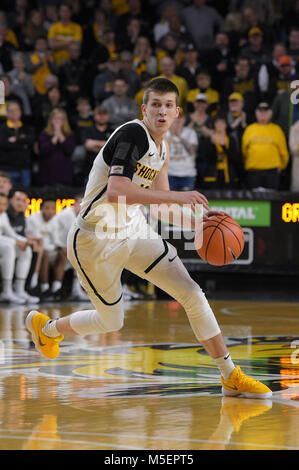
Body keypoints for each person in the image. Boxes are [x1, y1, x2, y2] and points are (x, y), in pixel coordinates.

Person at [26, 78, 272, 400]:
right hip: (94, 241)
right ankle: (47, 329)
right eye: (155, 104)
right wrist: (181, 197)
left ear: (177, 113)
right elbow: (116, 191)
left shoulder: (163, 148)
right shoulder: (132, 134)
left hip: (134, 230)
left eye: (168, 105)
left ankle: (230, 374)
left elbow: (161, 205)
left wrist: (197, 222)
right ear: (144, 109)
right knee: (111, 321)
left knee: (192, 294)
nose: (162, 111)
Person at [242, 102, 289, 189]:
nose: (262, 114)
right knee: (254, 198)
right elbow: (244, 151)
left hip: (272, 171)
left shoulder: (277, 129)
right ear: (256, 113)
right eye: (260, 111)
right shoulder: (249, 129)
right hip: (253, 170)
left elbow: (284, 151)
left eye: (265, 112)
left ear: (270, 114)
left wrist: (281, 167)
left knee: (272, 197)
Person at [0, 193, 33, 305]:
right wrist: (16, 241)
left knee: (26, 250)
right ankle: (6, 290)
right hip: (4, 243)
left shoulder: (3, 215)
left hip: (3, 243)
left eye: (4, 204)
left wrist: (24, 241)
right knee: (9, 246)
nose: (1, 207)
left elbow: (11, 234)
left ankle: (19, 289)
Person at [0, 100, 35, 188]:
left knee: (24, 194)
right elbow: (3, 144)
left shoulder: (27, 127)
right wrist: (23, 145)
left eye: (16, 110)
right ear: (7, 113)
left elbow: (30, 141)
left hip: (24, 168)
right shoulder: (2, 128)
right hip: (7, 169)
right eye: (11, 111)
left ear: (20, 111)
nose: (14, 113)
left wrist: (15, 140)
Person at [38, 108, 75, 185]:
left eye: (61, 118)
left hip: (64, 173)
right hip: (48, 173)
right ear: (51, 120)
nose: (58, 120)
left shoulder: (69, 134)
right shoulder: (45, 134)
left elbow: (69, 150)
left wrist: (60, 136)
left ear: (64, 121)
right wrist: (55, 137)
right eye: (55, 118)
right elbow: (43, 150)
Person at [165, 111, 197, 190]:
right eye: (175, 118)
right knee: (169, 200)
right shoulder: (164, 133)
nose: (177, 120)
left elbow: (192, 151)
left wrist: (179, 136)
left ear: (184, 120)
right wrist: (172, 134)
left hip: (187, 173)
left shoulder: (190, 132)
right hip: (169, 173)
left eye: (180, 118)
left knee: (187, 201)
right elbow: (161, 152)